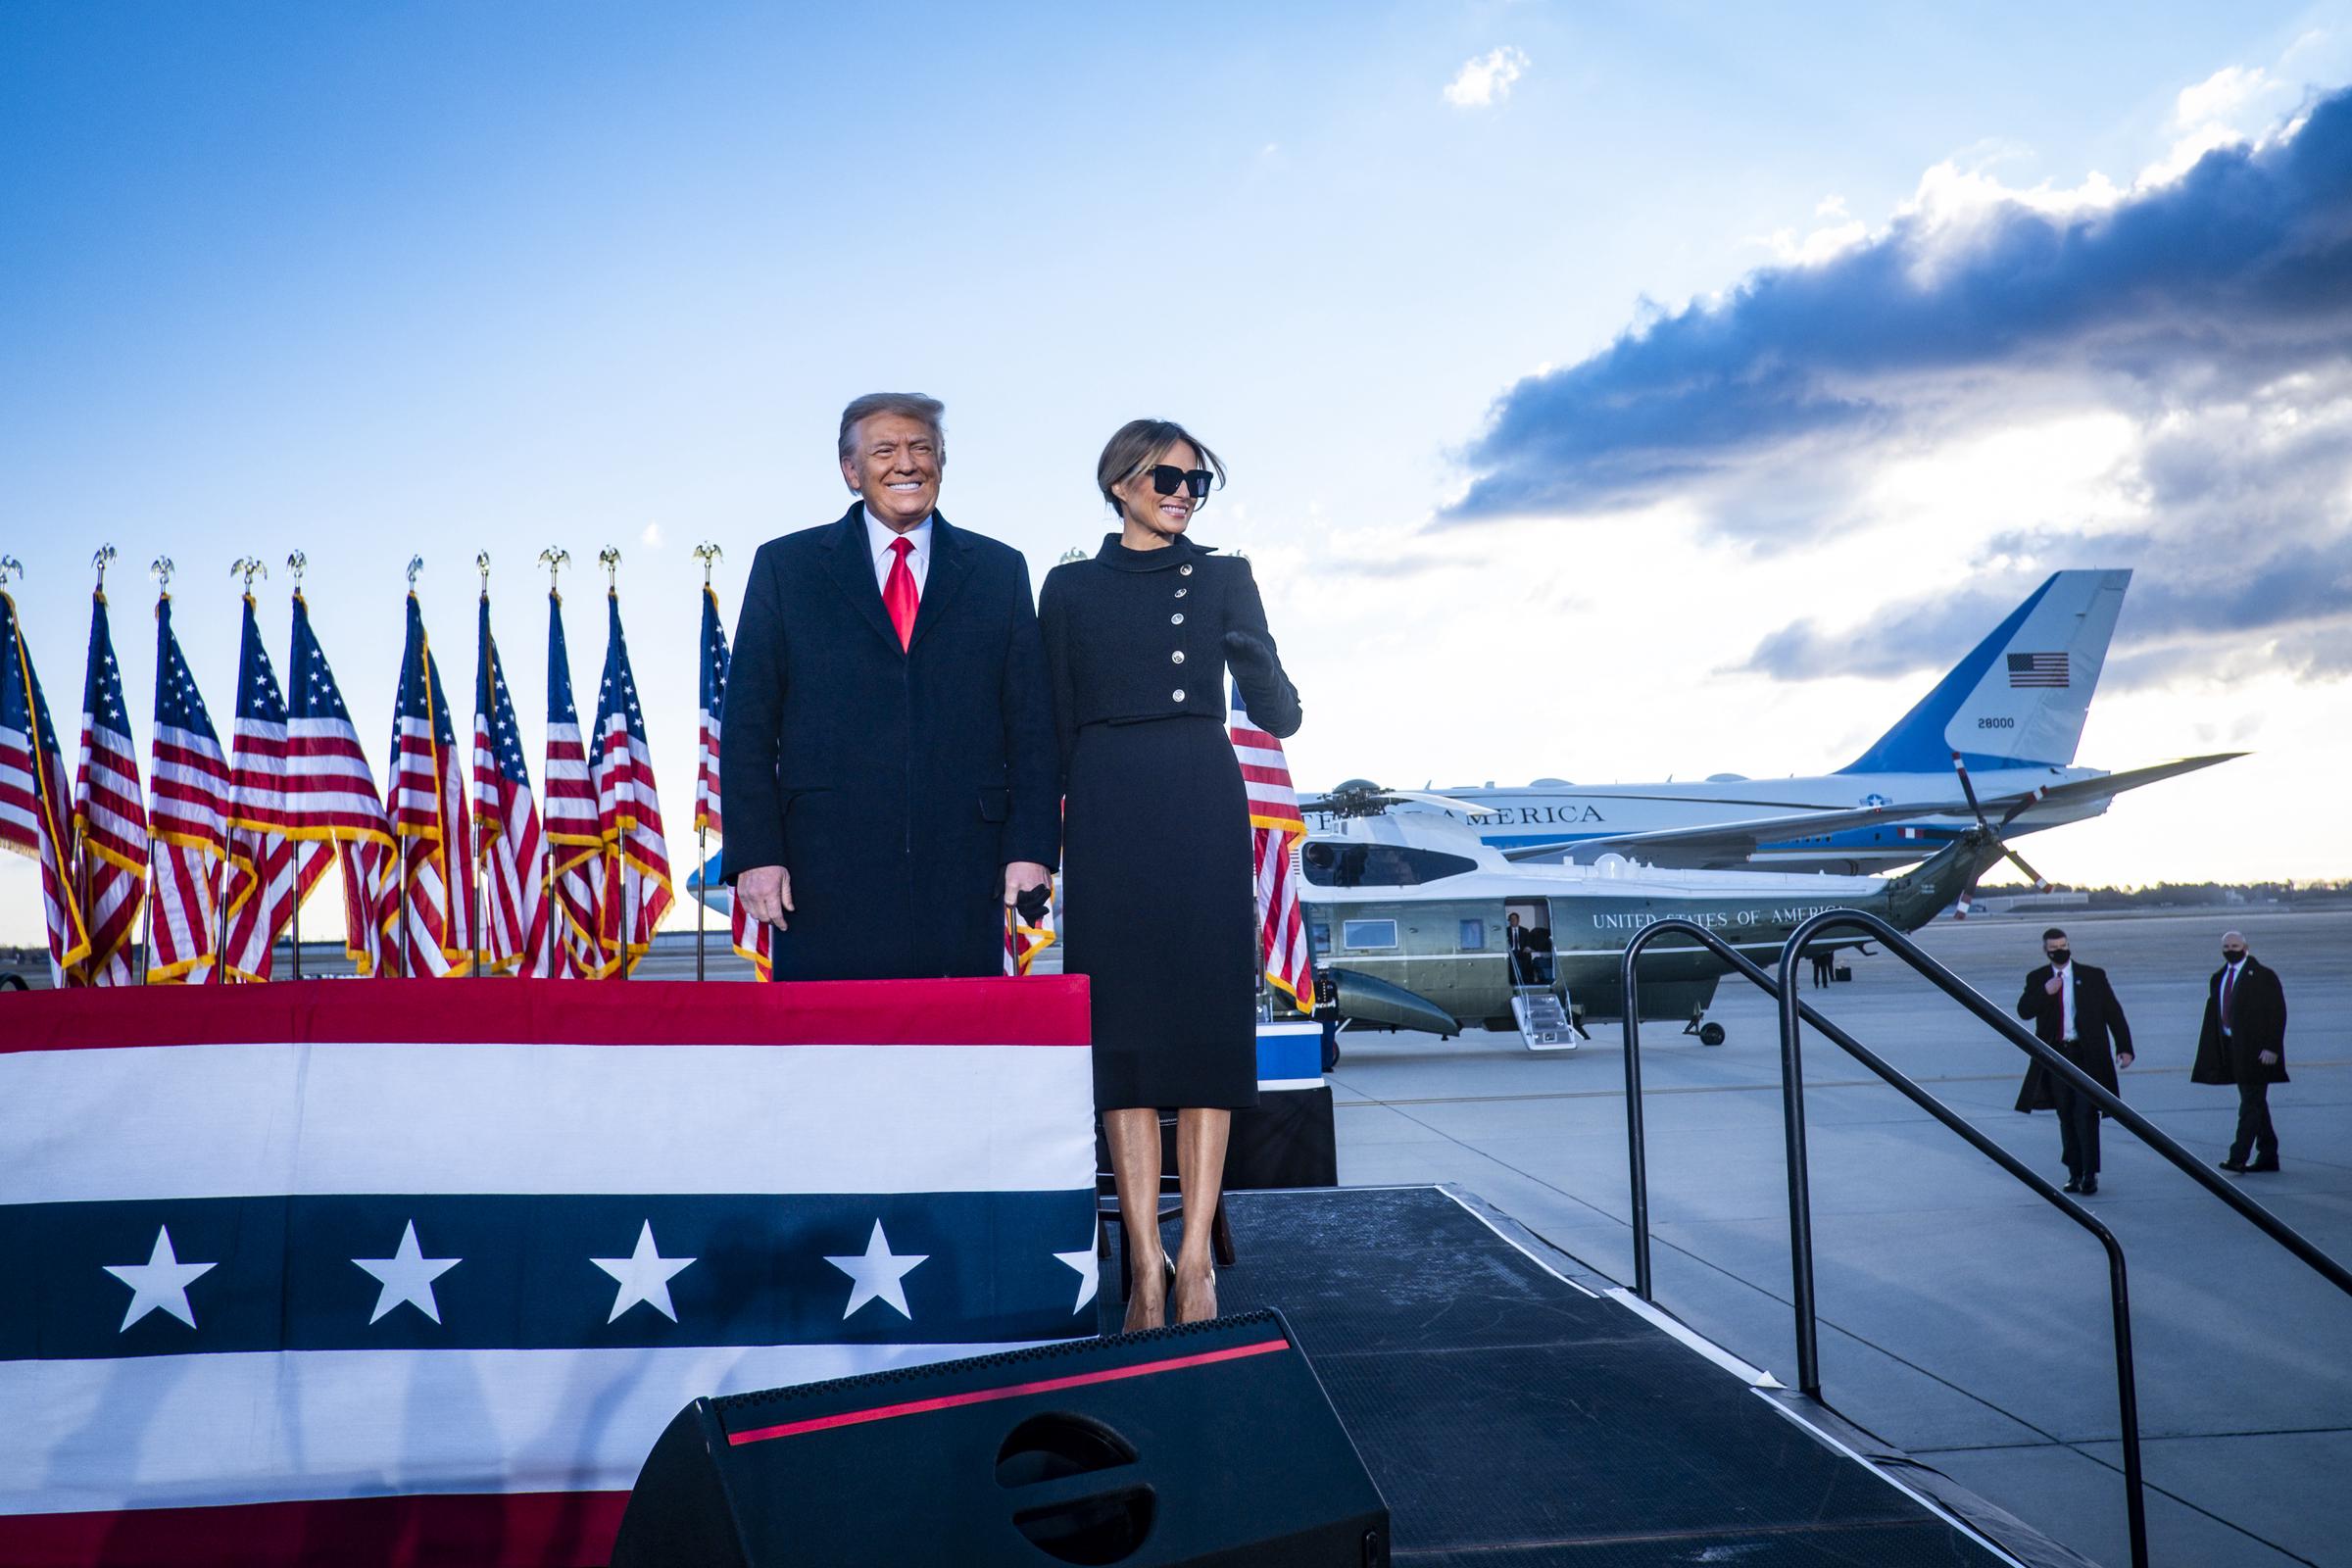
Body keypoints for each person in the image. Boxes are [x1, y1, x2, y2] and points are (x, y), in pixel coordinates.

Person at [1041, 417, 1299, 1332]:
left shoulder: (1226, 578)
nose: (1185, 492)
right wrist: (1040, 847)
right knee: (1129, 1041)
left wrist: (1253, 657)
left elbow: (1282, 715)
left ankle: (1196, 1268)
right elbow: (1051, 729)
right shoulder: (1068, 588)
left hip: (1199, 798)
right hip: (1110, 810)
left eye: (1198, 481)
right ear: (1121, 483)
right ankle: (1142, 1266)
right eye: (1168, 477)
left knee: (1200, 1033)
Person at [719, 392, 1058, 979]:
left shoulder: (1001, 571)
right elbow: (749, 725)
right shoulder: (786, 568)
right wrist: (756, 853)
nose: (906, 463)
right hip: (820, 874)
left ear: (941, 462)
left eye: (921, 447)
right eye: (884, 450)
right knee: (832, 1055)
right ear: (852, 472)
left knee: (957, 1056)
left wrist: (1030, 846)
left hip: (964, 871)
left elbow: (1029, 726)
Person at [2013, 927, 2134, 1195]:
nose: (2060, 950)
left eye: (2064, 945)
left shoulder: (2092, 976)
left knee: (2086, 1114)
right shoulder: (2038, 978)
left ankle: (2090, 1174)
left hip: (2087, 1056)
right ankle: (2074, 1173)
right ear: (2046, 951)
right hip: (2056, 1056)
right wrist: (2045, 992)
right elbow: (2023, 1011)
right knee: (2065, 1114)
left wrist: (2124, 1047)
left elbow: (2114, 1013)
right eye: (2054, 947)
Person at [2192, 930, 2288, 1173]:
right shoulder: (2219, 977)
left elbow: (2278, 1013)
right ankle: (2268, 1155)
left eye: (2235, 945)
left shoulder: (2264, 976)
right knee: (2255, 1103)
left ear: (2246, 946)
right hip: (2233, 1050)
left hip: (2258, 1053)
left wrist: (2272, 1047)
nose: (2230, 950)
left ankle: (2238, 1156)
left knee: (2250, 1105)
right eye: (2226, 947)